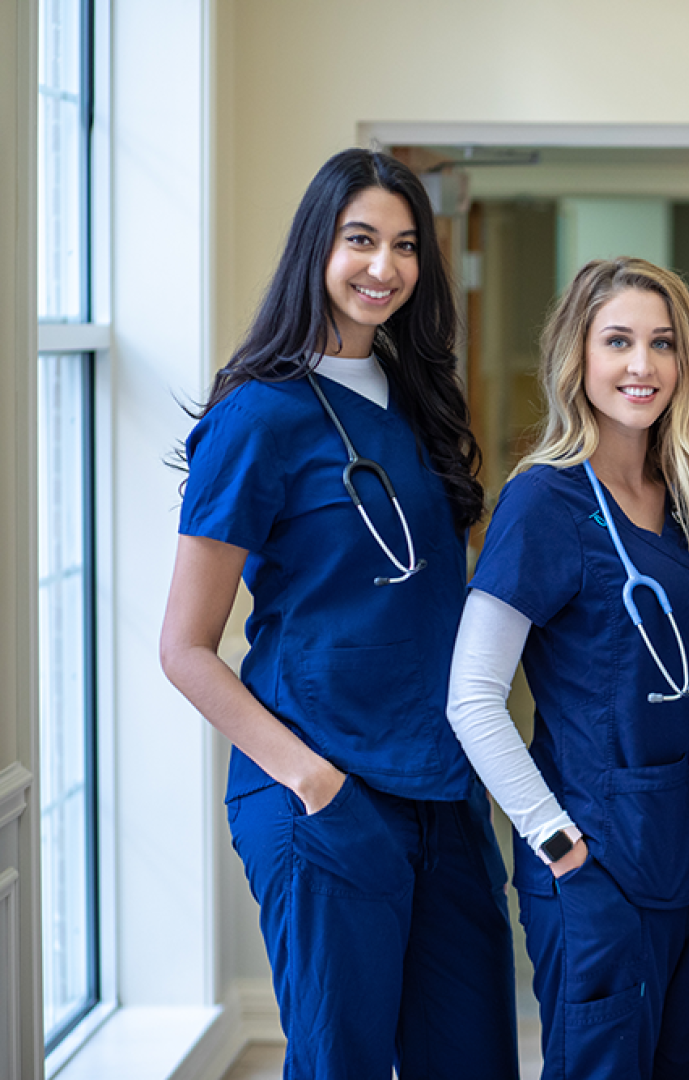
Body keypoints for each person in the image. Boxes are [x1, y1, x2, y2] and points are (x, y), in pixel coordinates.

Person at [158, 148, 518, 1079]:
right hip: (325, 787)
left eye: (405, 246)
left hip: (441, 788)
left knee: (473, 1059)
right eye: (361, 239)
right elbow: (185, 648)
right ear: (316, 245)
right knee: (340, 1064)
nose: (383, 266)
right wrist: (314, 782)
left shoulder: (417, 400)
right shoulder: (257, 417)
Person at [444, 257, 689, 1079]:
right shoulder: (544, 502)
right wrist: (557, 844)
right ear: (576, 357)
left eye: (663, 343)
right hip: (597, 872)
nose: (641, 365)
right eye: (617, 341)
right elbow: (472, 698)